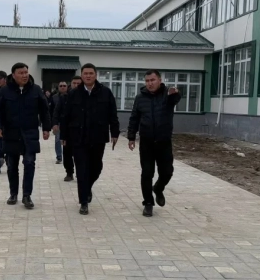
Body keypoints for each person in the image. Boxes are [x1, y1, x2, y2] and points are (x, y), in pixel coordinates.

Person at [60, 64, 119, 215]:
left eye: (91, 73)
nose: (88, 76)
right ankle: (83, 202)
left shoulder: (105, 92)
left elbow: (112, 114)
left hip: (98, 137)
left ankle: (87, 187)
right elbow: (66, 116)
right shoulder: (74, 93)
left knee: (97, 167)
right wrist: (63, 136)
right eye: (85, 73)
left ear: (95, 75)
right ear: (81, 75)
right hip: (78, 137)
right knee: (81, 170)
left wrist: (115, 133)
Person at [0, 63, 51, 209]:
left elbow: (44, 110)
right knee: (12, 166)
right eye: (21, 73)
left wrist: (46, 128)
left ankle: (27, 195)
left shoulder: (36, 90)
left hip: (30, 133)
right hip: (11, 134)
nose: (24, 75)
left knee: (29, 163)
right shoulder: (5, 91)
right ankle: (13, 193)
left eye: (26, 72)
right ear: (13, 75)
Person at [126, 69, 180, 217]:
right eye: (147, 81)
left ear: (159, 80)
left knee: (167, 172)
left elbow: (175, 99)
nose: (150, 83)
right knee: (147, 173)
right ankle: (148, 203)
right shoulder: (140, 98)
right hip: (147, 142)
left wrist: (175, 93)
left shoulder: (167, 95)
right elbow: (134, 118)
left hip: (164, 142)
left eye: (153, 80)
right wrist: (131, 137)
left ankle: (158, 188)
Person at [52, 76, 80, 181]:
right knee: (67, 152)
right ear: (70, 85)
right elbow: (56, 111)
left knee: (80, 153)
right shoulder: (64, 98)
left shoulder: (86, 97)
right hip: (67, 129)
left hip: (81, 130)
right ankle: (69, 172)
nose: (76, 85)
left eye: (78, 83)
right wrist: (55, 123)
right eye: (74, 83)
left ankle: (80, 172)